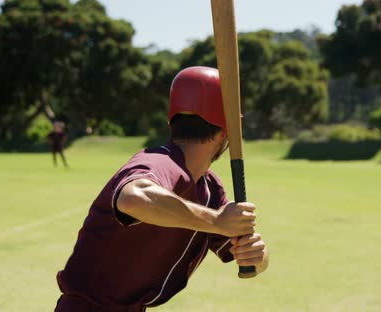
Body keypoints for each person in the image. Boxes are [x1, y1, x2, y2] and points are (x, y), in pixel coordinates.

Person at [55, 66, 269, 311]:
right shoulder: (159, 162)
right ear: (226, 130)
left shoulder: (208, 189)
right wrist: (217, 220)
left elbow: (243, 252)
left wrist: (257, 255)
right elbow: (132, 198)